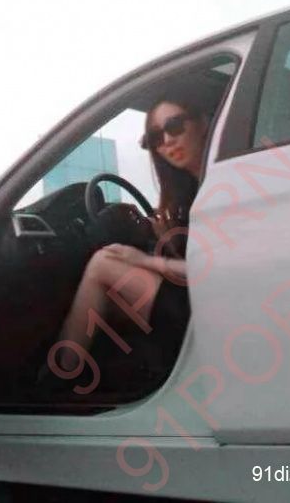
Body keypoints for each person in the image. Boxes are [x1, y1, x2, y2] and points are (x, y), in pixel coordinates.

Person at [53, 95, 209, 374]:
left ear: (203, 123)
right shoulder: (193, 189)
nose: (167, 141)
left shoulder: (216, 185)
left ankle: (60, 377)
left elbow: (216, 268)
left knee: (102, 264)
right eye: (155, 137)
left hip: (208, 312)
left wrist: (146, 260)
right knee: (106, 302)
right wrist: (164, 238)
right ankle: (81, 375)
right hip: (202, 301)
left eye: (175, 126)